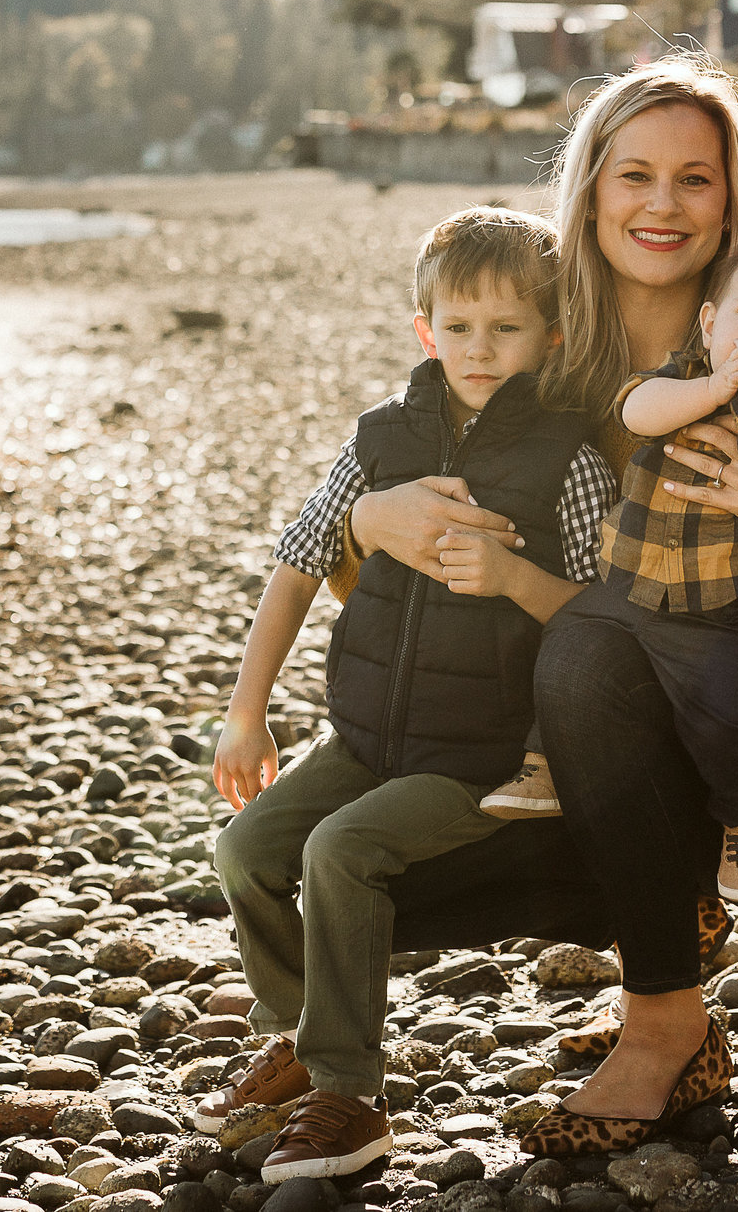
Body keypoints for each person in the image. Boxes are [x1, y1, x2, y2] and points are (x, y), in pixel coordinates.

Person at [342, 58, 738, 1158]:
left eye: (695, 179)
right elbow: (395, 550)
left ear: (731, 199)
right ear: (590, 188)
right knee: (384, 862)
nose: (660, 204)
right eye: (633, 174)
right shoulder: (542, 366)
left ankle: (663, 1023)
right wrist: (369, 523)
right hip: (583, 754)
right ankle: (654, 918)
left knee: (595, 658)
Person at [199, 206, 616, 1181]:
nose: (480, 347)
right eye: (459, 326)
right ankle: (298, 1034)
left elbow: (606, 617)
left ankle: (351, 1092)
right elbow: (299, 562)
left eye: (505, 327)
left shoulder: (569, 456)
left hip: (485, 753)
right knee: (247, 848)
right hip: (365, 733)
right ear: (425, 328)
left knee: (340, 850)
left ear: (549, 335)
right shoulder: (379, 439)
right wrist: (246, 708)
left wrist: (517, 581)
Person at [563, 231, 738, 900]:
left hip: (725, 609)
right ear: (711, 323)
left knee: (721, 712)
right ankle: (543, 755)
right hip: (630, 583)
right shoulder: (684, 374)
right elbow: (637, 412)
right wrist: (716, 384)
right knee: (566, 649)